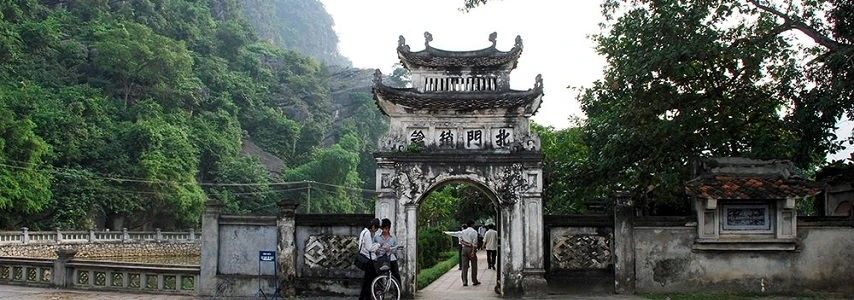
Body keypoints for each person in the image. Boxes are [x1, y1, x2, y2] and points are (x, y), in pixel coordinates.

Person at [359, 218, 381, 300]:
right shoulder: (367, 233)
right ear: (373, 226)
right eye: (376, 228)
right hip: (368, 260)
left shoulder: (363, 232)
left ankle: (365, 297)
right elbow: (369, 247)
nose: (376, 230)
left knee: (368, 280)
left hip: (366, 258)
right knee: (372, 279)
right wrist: (378, 245)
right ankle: (368, 296)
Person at [374, 218, 401, 283]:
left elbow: (396, 248)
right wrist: (376, 250)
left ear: (389, 228)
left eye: (386, 229)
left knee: (396, 275)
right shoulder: (377, 237)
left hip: (391, 258)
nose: (384, 231)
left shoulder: (393, 237)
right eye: (383, 229)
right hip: (380, 258)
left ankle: (398, 290)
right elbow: (373, 246)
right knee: (378, 275)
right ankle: (379, 290)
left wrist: (390, 249)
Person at [459, 220, 481, 287]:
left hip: (464, 249)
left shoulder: (463, 232)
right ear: (472, 225)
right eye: (474, 224)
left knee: (464, 266)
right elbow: (474, 243)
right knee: (474, 265)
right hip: (471, 249)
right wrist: (472, 252)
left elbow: (461, 241)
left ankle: (464, 281)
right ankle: (474, 280)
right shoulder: (474, 232)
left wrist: (467, 244)